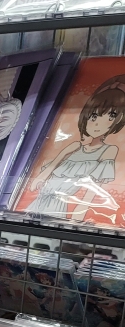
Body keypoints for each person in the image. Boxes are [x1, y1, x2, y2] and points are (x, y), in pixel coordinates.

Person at [28, 75, 125, 224]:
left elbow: (93, 189)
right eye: (94, 116)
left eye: (111, 116)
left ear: (118, 121)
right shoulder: (74, 146)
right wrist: (63, 153)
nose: (97, 124)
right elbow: (50, 169)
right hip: (37, 202)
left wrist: (79, 214)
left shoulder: (109, 150)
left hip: (58, 209)